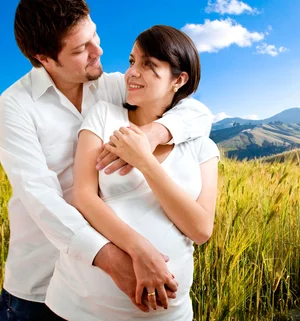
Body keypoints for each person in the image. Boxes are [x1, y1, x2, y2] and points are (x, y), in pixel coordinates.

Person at [0, 0, 212, 319]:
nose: (97, 50)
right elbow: (40, 197)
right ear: (44, 59)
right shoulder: (14, 107)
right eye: (80, 48)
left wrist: (153, 134)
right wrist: (116, 258)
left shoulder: (114, 87)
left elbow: (195, 111)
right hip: (39, 287)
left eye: (95, 36)